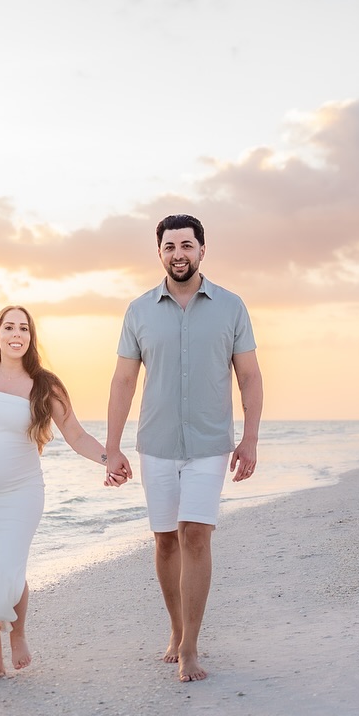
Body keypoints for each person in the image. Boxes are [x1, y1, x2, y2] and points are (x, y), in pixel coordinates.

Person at [105, 214, 263, 683]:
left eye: (187, 245)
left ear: (202, 250)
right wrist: (112, 448)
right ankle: (175, 632)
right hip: (155, 443)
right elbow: (123, 380)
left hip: (210, 443)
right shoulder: (139, 311)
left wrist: (249, 438)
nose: (179, 254)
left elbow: (250, 376)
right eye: (170, 246)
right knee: (165, 540)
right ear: (160, 253)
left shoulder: (231, 306)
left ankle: (191, 647)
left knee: (196, 534)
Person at [0, 305, 127, 684]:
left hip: (21, 493)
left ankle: (19, 634)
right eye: (9, 327)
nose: (16, 334)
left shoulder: (45, 384)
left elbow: (76, 435)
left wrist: (109, 459)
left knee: (8, 569)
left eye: (24, 328)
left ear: (31, 337)